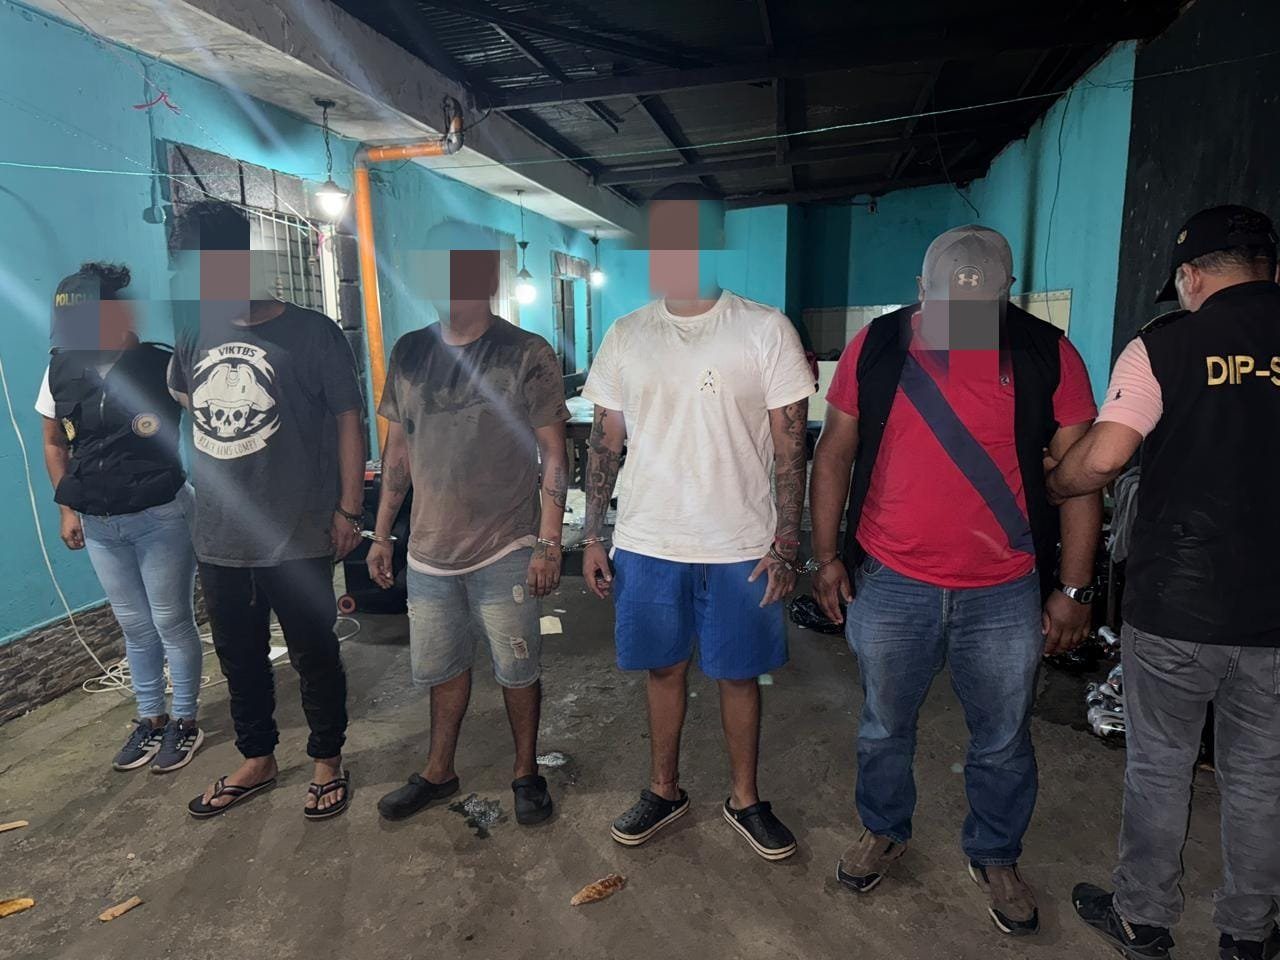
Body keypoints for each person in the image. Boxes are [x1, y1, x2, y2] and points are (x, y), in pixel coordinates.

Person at [808, 225, 1101, 935]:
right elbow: (835, 452)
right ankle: (884, 828)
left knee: (1003, 737)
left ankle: (996, 852)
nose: (961, 326)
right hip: (892, 580)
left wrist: (1073, 589)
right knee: (884, 726)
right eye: (947, 309)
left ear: (1008, 294)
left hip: (1004, 587)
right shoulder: (877, 345)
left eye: (978, 310)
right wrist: (827, 556)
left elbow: (1082, 479)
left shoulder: (1046, 352)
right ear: (920, 291)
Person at [1049, 205, 1280, 960]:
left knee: (1161, 767)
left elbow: (1107, 457)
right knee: (1260, 776)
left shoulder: (1165, 345)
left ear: (1190, 275)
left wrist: (1057, 481)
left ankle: (1143, 921)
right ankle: (1249, 935)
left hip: (1179, 604)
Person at [581, 182, 815, 861]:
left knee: (739, 675)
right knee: (662, 670)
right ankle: (664, 789)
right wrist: (592, 535)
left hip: (740, 542)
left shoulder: (765, 329)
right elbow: (604, 443)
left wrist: (788, 544)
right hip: (648, 541)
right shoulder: (627, 334)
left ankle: (745, 798)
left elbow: (791, 448)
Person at [166, 200, 366, 821]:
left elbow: (349, 419)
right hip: (219, 534)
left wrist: (350, 509)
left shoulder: (313, 333)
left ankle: (327, 758)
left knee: (313, 652)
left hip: (297, 529)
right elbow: (182, 390)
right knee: (240, 656)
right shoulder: (195, 329)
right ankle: (258, 757)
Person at [369, 222, 569, 826]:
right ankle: (439, 771)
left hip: (505, 546)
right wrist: (382, 533)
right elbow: (397, 451)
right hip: (428, 552)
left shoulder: (525, 352)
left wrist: (549, 543)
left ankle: (525, 772)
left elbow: (554, 452)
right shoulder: (409, 352)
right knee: (443, 669)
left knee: (518, 669)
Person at [38, 262, 204, 774]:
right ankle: (151, 718)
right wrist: (67, 509)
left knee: (171, 620)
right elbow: (54, 442)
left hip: (160, 515)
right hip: (99, 524)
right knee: (134, 625)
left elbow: (211, 423)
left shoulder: (162, 365)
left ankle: (185, 720)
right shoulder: (61, 369)